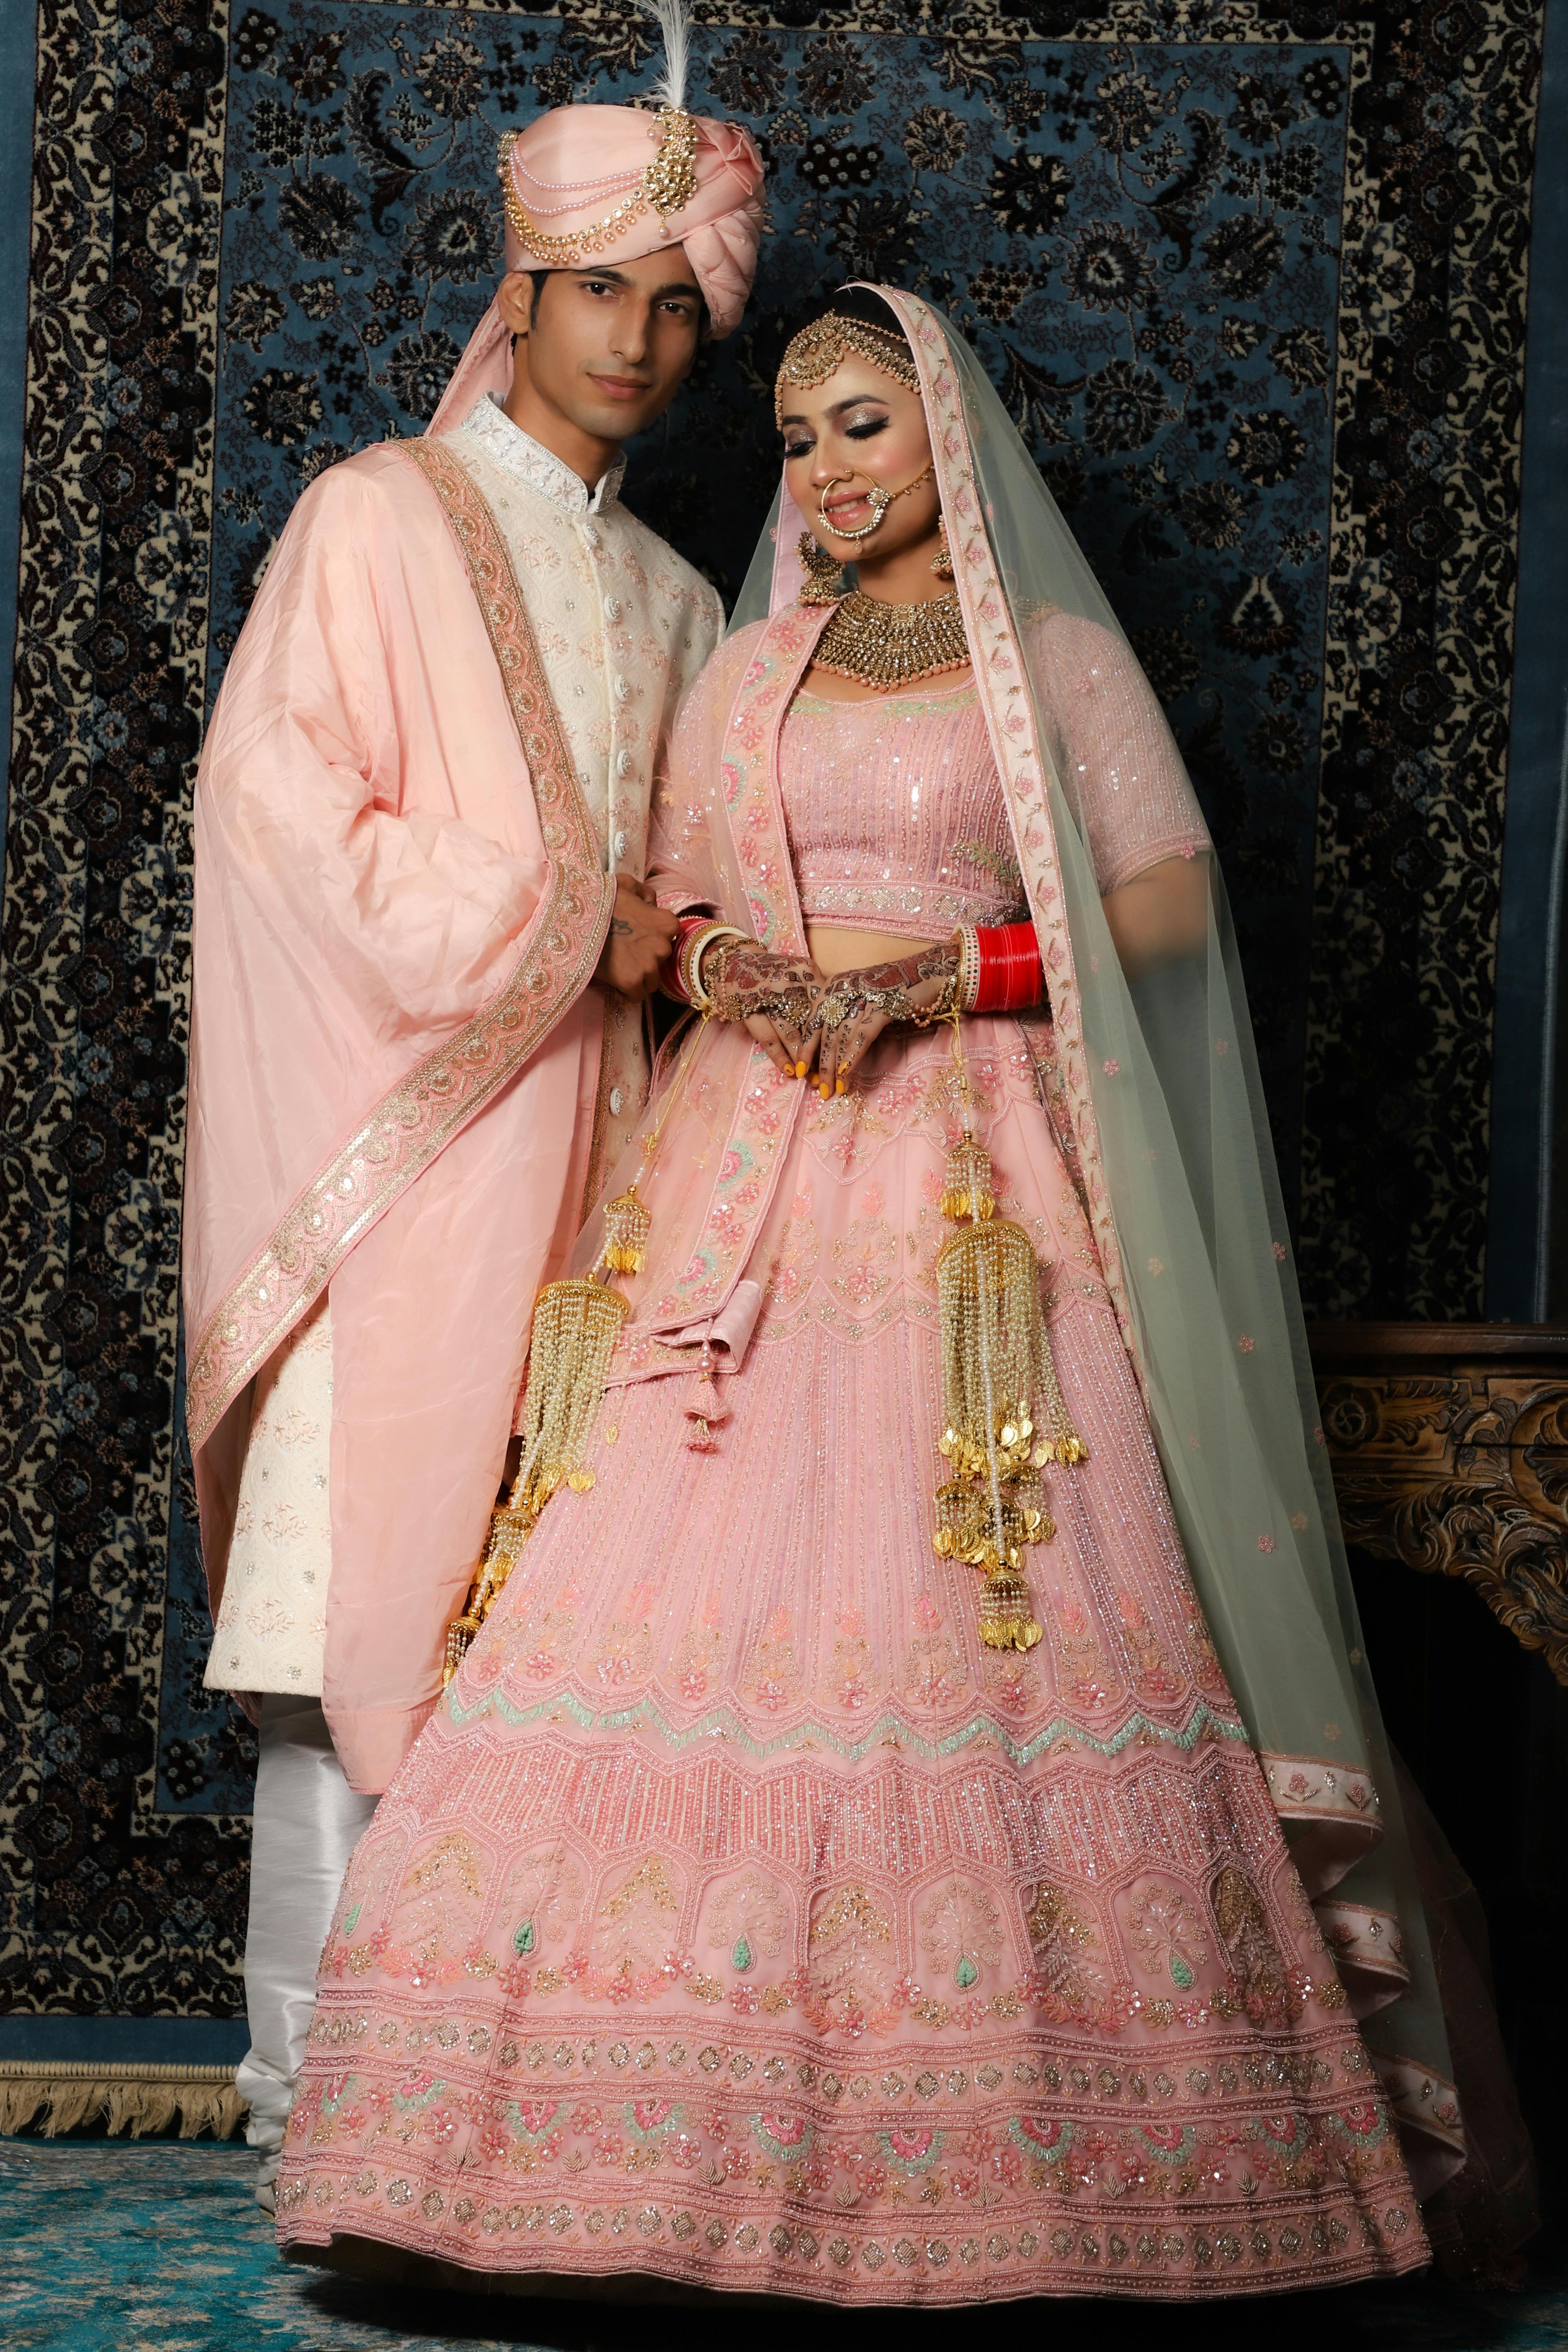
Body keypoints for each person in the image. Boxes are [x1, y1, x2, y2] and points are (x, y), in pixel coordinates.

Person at [275, 287, 1521, 2299]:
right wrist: (719, 973)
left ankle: (1063, 2182)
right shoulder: (751, 670)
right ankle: (563, 2171)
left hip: (976, 1171)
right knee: (667, 1575)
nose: (828, 470)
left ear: (945, 432)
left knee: (991, 1578)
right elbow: (662, 898)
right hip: (749, 1158)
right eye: (798, 438)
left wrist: (953, 976)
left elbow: (1170, 899)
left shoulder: (1049, 665)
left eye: (862, 425)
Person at [182, 44, 764, 2210]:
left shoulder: (684, 604)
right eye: (593, 288)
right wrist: (557, 925)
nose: (634, 336)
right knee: (347, 1635)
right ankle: (292, 2108)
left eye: (672, 302)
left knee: (533, 1646)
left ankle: (470, 2116)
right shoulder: (375, 515)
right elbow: (278, 810)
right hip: (398, 1168)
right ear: (511, 294)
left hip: (598, 1191)